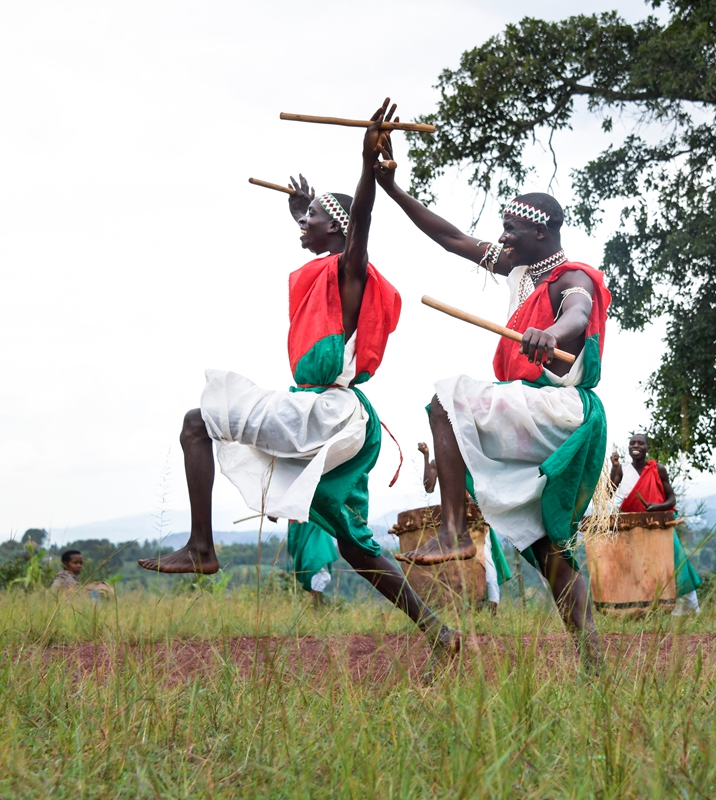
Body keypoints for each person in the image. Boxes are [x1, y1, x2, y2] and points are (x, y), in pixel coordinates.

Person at [138, 100, 461, 674]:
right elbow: (337, 228)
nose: (302, 224)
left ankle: (202, 548)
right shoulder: (330, 268)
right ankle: (437, 631)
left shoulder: (351, 267)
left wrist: (366, 166)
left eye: (311, 217)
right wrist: (301, 208)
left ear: (337, 226)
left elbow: (358, 224)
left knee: (199, 420)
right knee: (355, 545)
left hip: (330, 415)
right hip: (336, 419)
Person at [375, 157, 609, 669]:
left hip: (560, 409)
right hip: (531, 409)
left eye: (511, 230)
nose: (501, 239)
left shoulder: (573, 276)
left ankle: (455, 527)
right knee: (547, 546)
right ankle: (594, 663)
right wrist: (391, 188)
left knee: (445, 401)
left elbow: (579, 311)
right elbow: (453, 239)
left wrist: (555, 333)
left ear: (541, 232)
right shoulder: (519, 268)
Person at [609, 434, 702, 615]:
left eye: (640, 443)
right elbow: (608, 493)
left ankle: (688, 609)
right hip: (632, 527)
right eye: (632, 443)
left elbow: (671, 499)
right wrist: (613, 468)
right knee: (640, 569)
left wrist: (657, 506)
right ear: (628, 448)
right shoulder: (621, 469)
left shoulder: (657, 469)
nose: (636, 446)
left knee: (675, 563)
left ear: (647, 449)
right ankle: (644, 612)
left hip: (659, 524)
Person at [417, 442, 511, 611]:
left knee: (485, 565)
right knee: (456, 569)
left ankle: (493, 608)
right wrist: (425, 456)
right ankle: (466, 611)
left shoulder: (472, 456)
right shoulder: (438, 460)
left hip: (476, 521)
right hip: (451, 522)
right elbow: (429, 487)